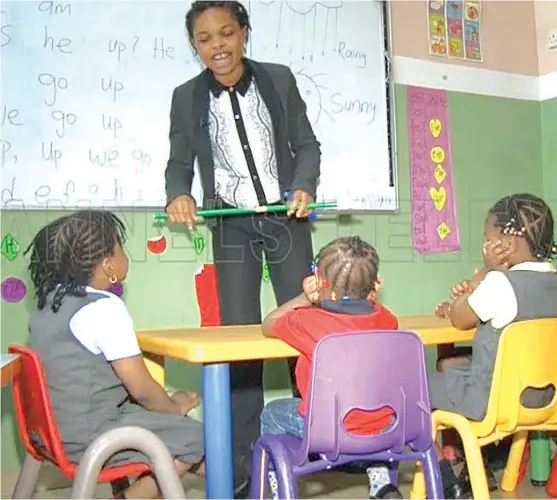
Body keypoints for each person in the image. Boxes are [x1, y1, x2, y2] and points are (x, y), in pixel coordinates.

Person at [164, 1, 320, 495]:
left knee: (305, 325)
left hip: (285, 219)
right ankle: (240, 468)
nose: (218, 46)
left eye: (226, 34)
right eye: (206, 38)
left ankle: (316, 441)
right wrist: (179, 194)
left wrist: (303, 185)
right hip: (230, 226)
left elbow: (307, 144)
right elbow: (178, 162)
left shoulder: (277, 78)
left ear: (244, 34)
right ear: (195, 46)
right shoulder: (186, 97)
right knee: (240, 340)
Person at [25, 210, 205, 499]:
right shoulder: (104, 308)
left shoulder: (49, 302)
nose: (125, 254)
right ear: (108, 265)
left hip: (47, 431)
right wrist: (176, 407)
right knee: (198, 438)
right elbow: (143, 391)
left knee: (173, 432)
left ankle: (233, 477)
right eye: (121, 246)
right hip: (88, 436)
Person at [428, 193, 557, 498]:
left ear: (506, 246)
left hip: (488, 401)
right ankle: (476, 467)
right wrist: (473, 292)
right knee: (453, 366)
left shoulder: (500, 283)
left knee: (412, 385)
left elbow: (461, 320)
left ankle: (445, 478)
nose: (485, 246)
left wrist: (487, 272)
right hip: (546, 400)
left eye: (488, 239)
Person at [260, 236, 403, 499]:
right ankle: (380, 478)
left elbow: (269, 324)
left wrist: (305, 296)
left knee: (271, 412)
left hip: (329, 430)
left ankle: (280, 486)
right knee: (369, 406)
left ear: (320, 283)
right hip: (385, 426)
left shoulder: (306, 321)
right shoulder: (387, 319)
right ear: (375, 285)